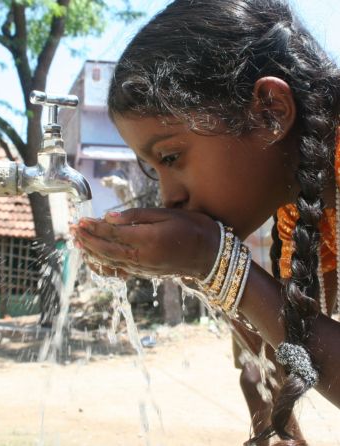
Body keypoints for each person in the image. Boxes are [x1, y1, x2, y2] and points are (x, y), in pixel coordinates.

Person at [70, 0, 340, 444]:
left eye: (172, 157)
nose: (169, 196)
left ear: (269, 111)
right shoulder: (301, 213)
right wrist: (206, 266)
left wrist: (217, 261)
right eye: (155, 171)